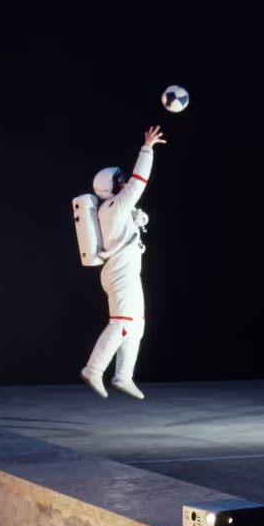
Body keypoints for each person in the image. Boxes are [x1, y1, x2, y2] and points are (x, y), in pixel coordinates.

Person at [80, 126, 166, 398]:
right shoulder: (114, 207)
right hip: (120, 271)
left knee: (136, 323)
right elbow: (139, 181)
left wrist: (138, 219)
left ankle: (123, 375)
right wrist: (147, 148)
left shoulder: (114, 208)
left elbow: (134, 212)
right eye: (120, 180)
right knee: (121, 322)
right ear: (112, 186)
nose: (124, 182)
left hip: (124, 270)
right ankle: (93, 369)